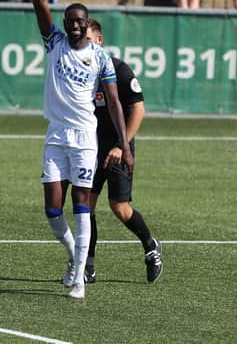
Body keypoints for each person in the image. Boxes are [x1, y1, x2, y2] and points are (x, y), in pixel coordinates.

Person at [29, 0, 134, 299]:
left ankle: (78, 277)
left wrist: (125, 144)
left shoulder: (101, 58)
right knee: (52, 210)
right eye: (70, 20)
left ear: (88, 26)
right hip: (56, 135)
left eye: (80, 22)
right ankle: (76, 255)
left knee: (82, 206)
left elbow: (117, 103)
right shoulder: (54, 43)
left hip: (85, 137)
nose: (74, 25)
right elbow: (37, 2)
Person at [85, 19, 162, 285]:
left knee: (119, 207)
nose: (83, 45)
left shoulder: (118, 69)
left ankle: (151, 246)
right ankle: (88, 265)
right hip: (89, 147)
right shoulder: (80, 71)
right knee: (85, 206)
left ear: (99, 40)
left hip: (119, 146)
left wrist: (122, 144)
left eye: (88, 39)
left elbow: (138, 109)